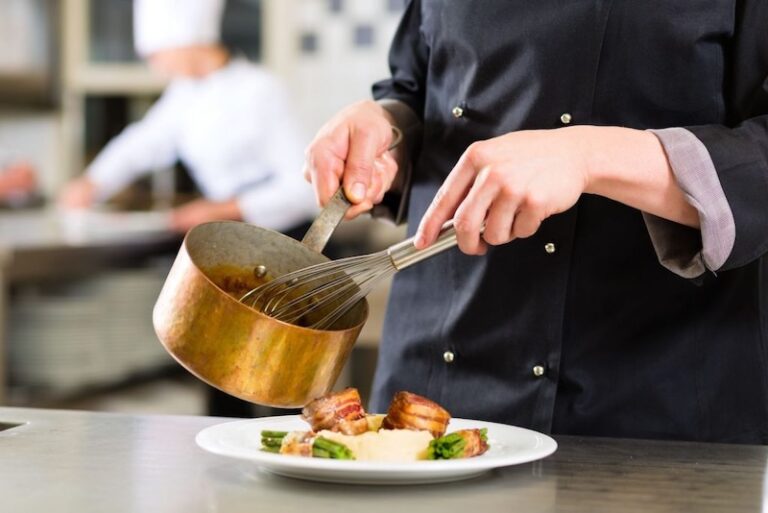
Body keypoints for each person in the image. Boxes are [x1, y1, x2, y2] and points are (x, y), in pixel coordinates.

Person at [304, 1, 768, 444]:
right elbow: (419, 90)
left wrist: (587, 156)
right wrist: (385, 129)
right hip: (433, 388)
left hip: (654, 400)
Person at [59, 0, 315, 235]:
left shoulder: (261, 90)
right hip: (236, 239)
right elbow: (141, 143)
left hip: (288, 241)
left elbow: (302, 189)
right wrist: (93, 182)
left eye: (156, 55)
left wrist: (221, 210)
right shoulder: (184, 94)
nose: (154, 67)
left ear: (189, 43)